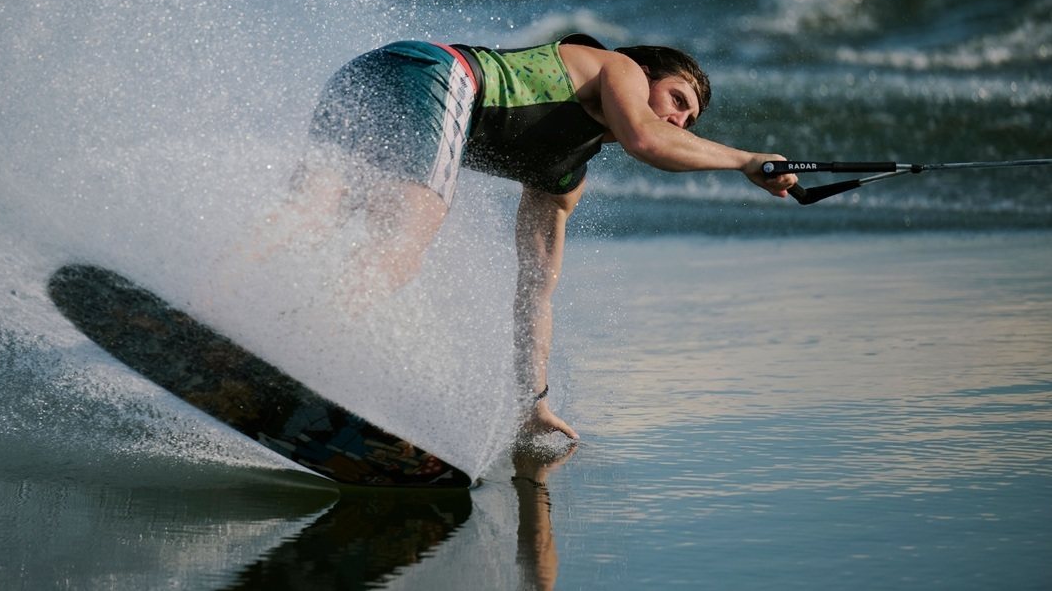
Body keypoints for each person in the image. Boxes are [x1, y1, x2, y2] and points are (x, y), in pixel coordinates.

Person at [286, 33, 798, 441]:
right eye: (677, 100)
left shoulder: (562, 177)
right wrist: (746, 160)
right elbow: (647, 140)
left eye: (689, 120)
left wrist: (532, 404)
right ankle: (297, 353)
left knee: (313, 214)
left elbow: (536, 292)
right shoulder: (612, 65)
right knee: (406, 242)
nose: (680, 122)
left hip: (371, 75)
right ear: (643, 78)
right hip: (432, 74)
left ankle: (227, 299)